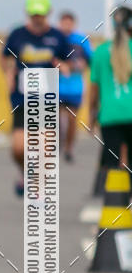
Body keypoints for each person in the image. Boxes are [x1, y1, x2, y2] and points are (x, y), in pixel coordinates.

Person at [1, 0, 71, 196]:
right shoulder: (18, 35)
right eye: (34, 14)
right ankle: (25, 172)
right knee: (19, 148)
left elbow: (69, 61)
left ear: (48, 13)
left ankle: (38, 186)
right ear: (28, 13)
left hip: (47, 99)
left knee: (44, 148)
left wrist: (64, 66)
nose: (37, 18)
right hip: (23, 98)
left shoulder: (57, 37)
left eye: (40, 14)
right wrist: (8, 72)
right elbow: (5, 57)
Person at [89, 6, 132, 169]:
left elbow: (94, 91)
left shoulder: (100, 51)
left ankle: (115, 194)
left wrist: (92, 118)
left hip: (109, 116)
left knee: (112, 164)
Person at [58, 11, 92, 162]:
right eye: (63, 22)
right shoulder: (56, 39)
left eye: (69, 23)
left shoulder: (81, 40)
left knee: (72, 120)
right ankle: (56, 146)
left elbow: (91, 60)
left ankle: (69, 147)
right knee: (56, 120)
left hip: (75, 88)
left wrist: (81, 65)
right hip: (57, 87)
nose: (66, 26)